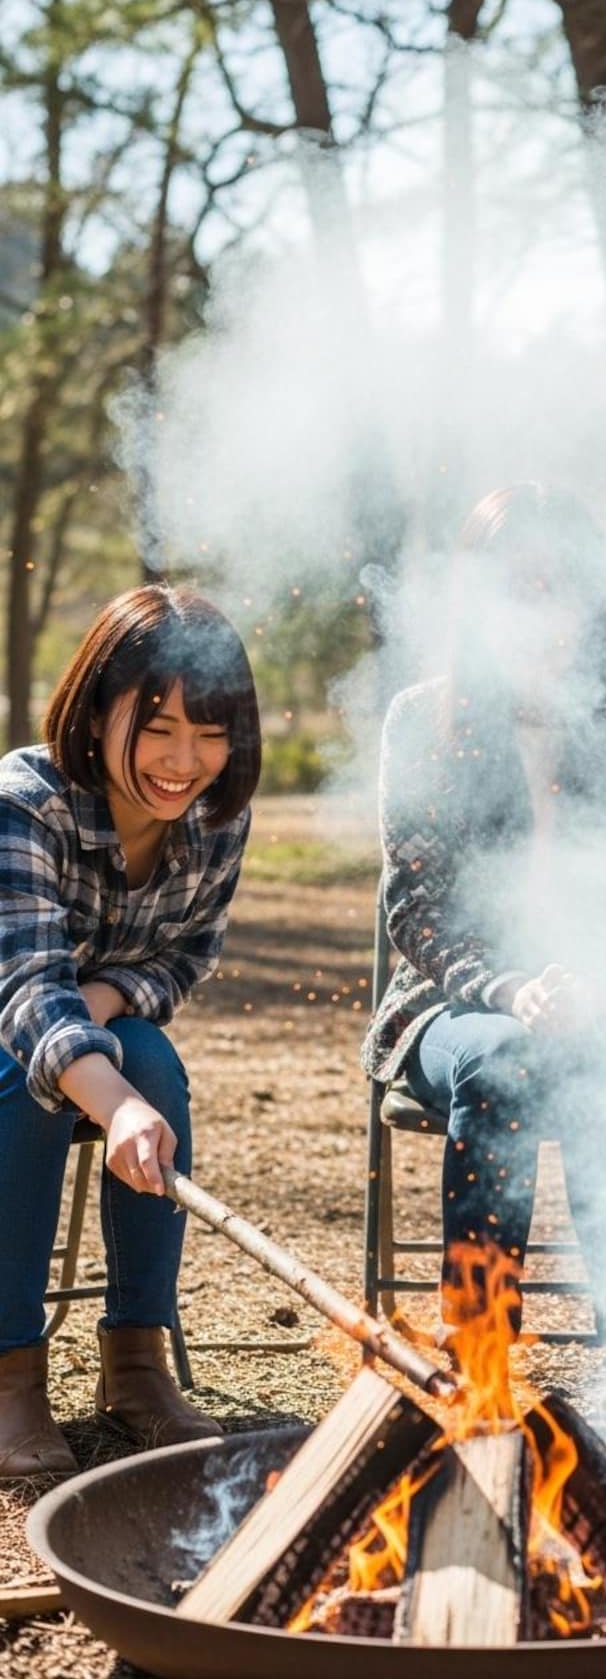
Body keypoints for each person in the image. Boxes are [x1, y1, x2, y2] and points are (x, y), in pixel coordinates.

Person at [361, 483, 606, 1423]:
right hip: (460, 1005)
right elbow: (419, 909)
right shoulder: (424, 719)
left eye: (562, 584)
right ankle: (478, 1373)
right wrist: (515, 990)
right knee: (512, 1059)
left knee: (604, 1059)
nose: (540, 606)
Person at [0, 585, 261, 1478]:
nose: (184, 760)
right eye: (159, 726)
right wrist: (113, 1106)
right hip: (7, 1031)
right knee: (26, 1077)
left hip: (93, 1029)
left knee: (151, 1059)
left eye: (210, 731)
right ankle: (8, 1369)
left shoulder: (216, 819)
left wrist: (107, 1000)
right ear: (97, 705)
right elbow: (29, 991)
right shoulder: (25, 800)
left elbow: (185, 957)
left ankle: (138, 1361)